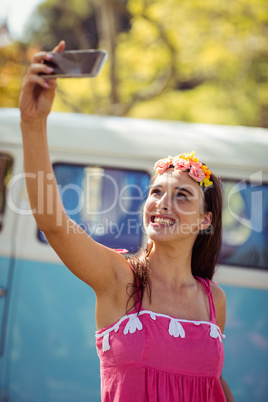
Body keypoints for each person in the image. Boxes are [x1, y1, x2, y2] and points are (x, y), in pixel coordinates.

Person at [19, 40, 235, 402]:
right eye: (156, 192)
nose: (163, 203)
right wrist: (32, 122)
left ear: (205, 221)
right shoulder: (119, 278)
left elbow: (212, 382)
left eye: (182, 195)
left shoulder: (213, 299)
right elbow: (54, 224)